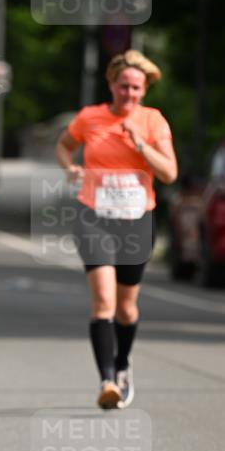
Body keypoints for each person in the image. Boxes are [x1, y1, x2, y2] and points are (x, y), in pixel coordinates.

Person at [55, 50, 178, 409]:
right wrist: (70, 168)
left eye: (136, 88)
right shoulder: (90, 117)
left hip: (137, 221)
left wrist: (141, 144)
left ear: (145, 89)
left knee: (126, 308)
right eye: (123, 86)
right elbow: (64, 145)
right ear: (111, 84)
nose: (129, 94)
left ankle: (122, 365)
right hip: (95, 216)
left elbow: (169, 173)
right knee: (104, 302)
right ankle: (107, 380)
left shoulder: (154, 121)